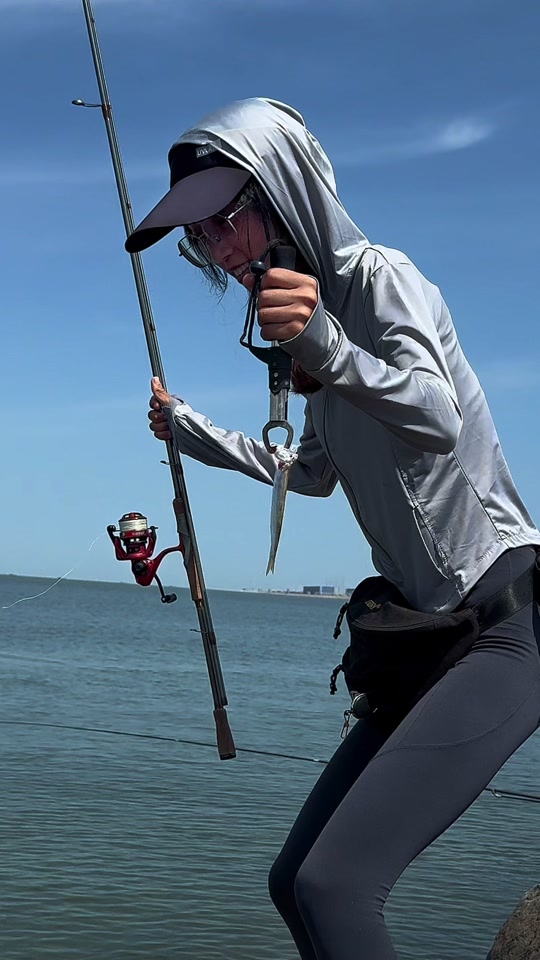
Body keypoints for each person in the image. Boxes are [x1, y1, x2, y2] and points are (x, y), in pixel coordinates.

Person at [125, 98, 540, 959]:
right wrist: (193, 430)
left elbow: (433, 412)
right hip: (430, 639)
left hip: (507, 623)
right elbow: (311, 471)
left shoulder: (377, 277)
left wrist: (324, 345)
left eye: (227, 215)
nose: (220, 248)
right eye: (199, 236)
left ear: (286, 189)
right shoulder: (301, 328)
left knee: (336, 883)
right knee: (293, 882)